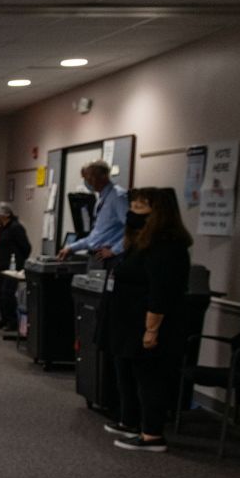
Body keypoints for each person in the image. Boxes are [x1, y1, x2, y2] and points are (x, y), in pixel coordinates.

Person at [102, 187, 192, 452]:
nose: (132, 212)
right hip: (129, 321)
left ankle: (152, 434)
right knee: (128, 372)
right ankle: (131, 421)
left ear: (158, 213)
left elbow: (160, 291)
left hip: (151, 322)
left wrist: (151, 330)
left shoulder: (166, 245)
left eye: (140, 207)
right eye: (133, 206)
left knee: (150, 377)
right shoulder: (141, 240)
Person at [57, 159, 127, 261]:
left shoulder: (118, 197)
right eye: (85, 178)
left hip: (112, 258)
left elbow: (135, 231)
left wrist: (114, 250)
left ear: (104, 175)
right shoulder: (101, 199)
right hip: (97, 257)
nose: (87, 182)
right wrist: (71, 247)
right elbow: (95, 237)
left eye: (90, 177)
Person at [0, 202, 31, 332]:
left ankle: (13, 322)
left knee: (8, 294)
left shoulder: (16, 228)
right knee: (1, 294)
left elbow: (26, 247)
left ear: (5, 215)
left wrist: (19, 261)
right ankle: (4, 319)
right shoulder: (2, 227)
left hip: (12, 268)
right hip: (2, 266)